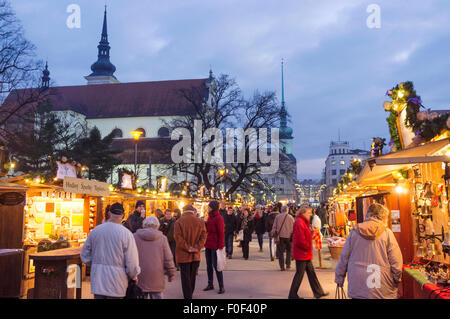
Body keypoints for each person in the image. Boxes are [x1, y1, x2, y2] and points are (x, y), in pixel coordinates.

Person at [335, 203, 403, 299]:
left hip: (357, 282)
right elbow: (396, 261)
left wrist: (339, 278)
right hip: (381, 284)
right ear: (383, 217)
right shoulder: (387, 234)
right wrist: (396, 280)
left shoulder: (354, 232)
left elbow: (344, 258)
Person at [81, 202, 140, 299]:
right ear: (123, 215)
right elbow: (132, 261)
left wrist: (96, 264)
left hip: (98, 282)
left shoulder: (96, 231)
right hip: (117, 283)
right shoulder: (126, 234)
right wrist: (134, 276)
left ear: (109, 214)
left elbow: (85, 255)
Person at [288, 205, 328, 299]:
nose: (310, 215)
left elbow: (305, 235)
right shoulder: (299, 222)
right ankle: (292, 295)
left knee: (311, 273)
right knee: (299, 275)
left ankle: (318, 292)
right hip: (302, 253)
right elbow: (299, 240)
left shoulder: (303, 222)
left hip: (305, 253)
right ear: (303, 213)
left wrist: (312, 233)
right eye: (309, 213)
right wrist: (307, 247)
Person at [134, 216, 176, 299]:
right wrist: (171, 273)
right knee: (157, 296)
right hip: (157, 275)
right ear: (157, 225)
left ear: (144, 224)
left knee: (141, 295)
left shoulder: (134, 237)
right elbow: (168, 258)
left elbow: (130, 257)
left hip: (140, 275)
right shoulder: (163, 238)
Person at [173, 204, 207, 299]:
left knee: (185, 277)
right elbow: (204, 236)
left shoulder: (178, 222)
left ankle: (187, 296)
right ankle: (190, 292)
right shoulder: (200, 222)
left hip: (183, 255)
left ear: (183, 211)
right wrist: (197, 247)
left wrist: (188, 248)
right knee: (192, 276)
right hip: (195, 255)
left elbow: (178, 238)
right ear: (193, 211)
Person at [203, 200, 226, 294]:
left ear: (213, 207)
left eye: (209, 206)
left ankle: (221, 286)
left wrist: (221, 246)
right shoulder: (210, 217)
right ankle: (210, 284)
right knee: (208, 265)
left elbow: (221, 233)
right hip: (208, 244)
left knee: (216, 266)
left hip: (215, 245)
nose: (208, 208)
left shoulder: (219, 218)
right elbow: (208, 229)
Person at [270, 205, 294, 271]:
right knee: (289, 251)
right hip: (289, 237)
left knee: (281, 252)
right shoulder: (291, 217)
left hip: (280, 237)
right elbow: (294, 227)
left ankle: (282, 266)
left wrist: (272, 233)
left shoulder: (277, 217)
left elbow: (274, 226)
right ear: (287, 210)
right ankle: (288, 264)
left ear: (281, 210)